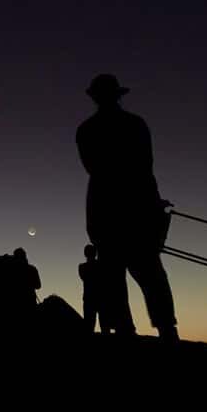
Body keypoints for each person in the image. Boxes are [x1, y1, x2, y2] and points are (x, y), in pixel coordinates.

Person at [76, 74, 178, 342]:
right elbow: (146, 167)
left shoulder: (86, 129)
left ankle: (126, 330)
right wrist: (153, 203)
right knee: (150, 272)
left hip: (104, 209)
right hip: (135, 206)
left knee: (115, 274)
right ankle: (166, 328)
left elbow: (93, 168)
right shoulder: (135, 125)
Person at [78, 244, 104, 333]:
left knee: (89, 326)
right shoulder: (100, 266)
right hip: (99, 298)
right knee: (104, 325)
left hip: (89, 298)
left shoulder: (82, 267)